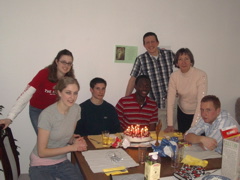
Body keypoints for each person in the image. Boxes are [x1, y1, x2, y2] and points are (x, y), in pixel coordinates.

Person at [0, 49, 75, 134]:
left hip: (55, 111)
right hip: (37, 111)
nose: (66, 65)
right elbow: (26, 95)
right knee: (44, 137)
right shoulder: (44, 73)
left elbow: (68, 100)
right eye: (63, 62)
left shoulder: (70, 79)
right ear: (56, 61)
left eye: (69, 63)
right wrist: (10, 118)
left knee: (57, 137)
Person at [29, 77, 87, 180]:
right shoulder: (47, 115)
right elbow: (42, 152)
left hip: (61, 162)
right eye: (68, 92)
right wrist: (72, 148)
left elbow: (67, 137)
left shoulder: (76, 109)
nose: (72, 97)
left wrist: (75, 141)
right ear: (59, 93)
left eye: (75, 93)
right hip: (40, 165)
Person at [125, 32, 174, 130]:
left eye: (153, 42)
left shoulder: (170, 55)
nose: (150, 45)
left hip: (173, 104)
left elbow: (181, 72)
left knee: (176, 133)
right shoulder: (141, 59)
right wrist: (126, 99)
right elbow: (133, 79)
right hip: (157, 104)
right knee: (161, 134)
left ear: (158, 42)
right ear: (144, 45)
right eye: (147, 42)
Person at [165, 48, 208, 133]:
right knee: (183, 142)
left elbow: (201, 102)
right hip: (182, 113)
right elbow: (170, 101)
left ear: (191, 61)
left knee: (196, 142)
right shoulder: (174, 76)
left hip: (198, 113)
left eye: (186, 59)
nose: (183, 62)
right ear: (177, 62)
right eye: (180, 59)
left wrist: (193, 127)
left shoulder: (201, 75)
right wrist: (170, 124)